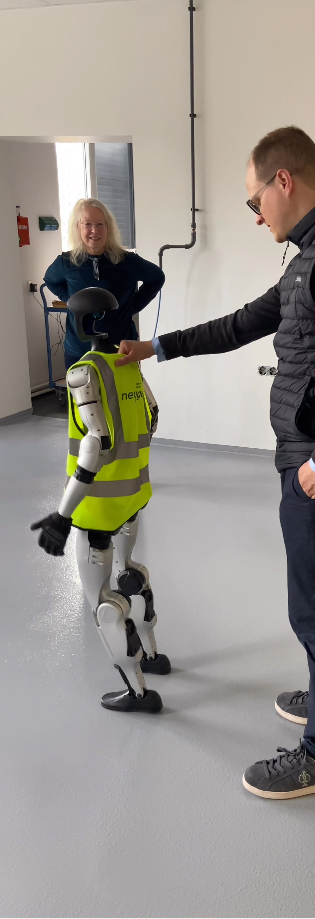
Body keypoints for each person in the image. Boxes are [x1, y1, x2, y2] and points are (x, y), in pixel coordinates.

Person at [116, 126, 315, 799]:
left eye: (254, 200)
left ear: (283, 182)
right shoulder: (311, 253)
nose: (254, 215)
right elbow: (242, 322)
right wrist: (157, 346)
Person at [30, 287, 171, 712]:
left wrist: (62, 515)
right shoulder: (129, 366)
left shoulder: (83, 372)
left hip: (97, 508)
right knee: (130, 574)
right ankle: (153, 656)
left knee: (103, 604)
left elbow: (96, 444)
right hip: (133, 495)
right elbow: (152, 417)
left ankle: (138, 693)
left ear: (77, 322)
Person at [44, 198, 165, 370]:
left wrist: (131, 307)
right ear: (78, 227)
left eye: (100, 224)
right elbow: (51, 281)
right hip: (79, 351)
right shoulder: (66, 262)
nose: (95, 230)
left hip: (120, 349)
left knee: (121, 389)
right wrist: (71, 300)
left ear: (108, 227)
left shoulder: (127, 261)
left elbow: (157, 278)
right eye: (88, 224)